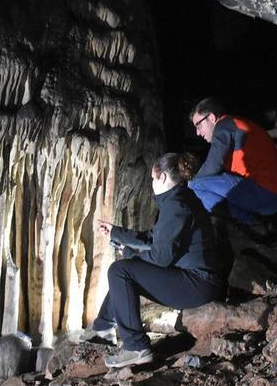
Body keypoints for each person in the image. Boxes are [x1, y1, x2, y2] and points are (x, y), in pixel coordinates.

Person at [77, 152, 227, 368]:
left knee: (120, 271)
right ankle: (102, 327)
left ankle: (136, 347)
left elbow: (160, 257)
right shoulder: (180, 200)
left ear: (163, 177)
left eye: (153, 178)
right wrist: (116, 233)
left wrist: (129, 255)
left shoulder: (177, 206)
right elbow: (154, 238)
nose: (152, 183)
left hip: (198, 285)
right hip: (199, 280)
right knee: (125, 270)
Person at [188, 97, 277, 223]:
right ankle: (253, 221)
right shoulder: (235, 125)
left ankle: (250, 223)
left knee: (195, 185)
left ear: (211, 118)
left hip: (264, 193)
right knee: (209, 182)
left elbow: (213, 165)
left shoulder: (224, 125)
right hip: (272, 196)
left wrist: (190, 183)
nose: (198, 133)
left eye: (198, 125)